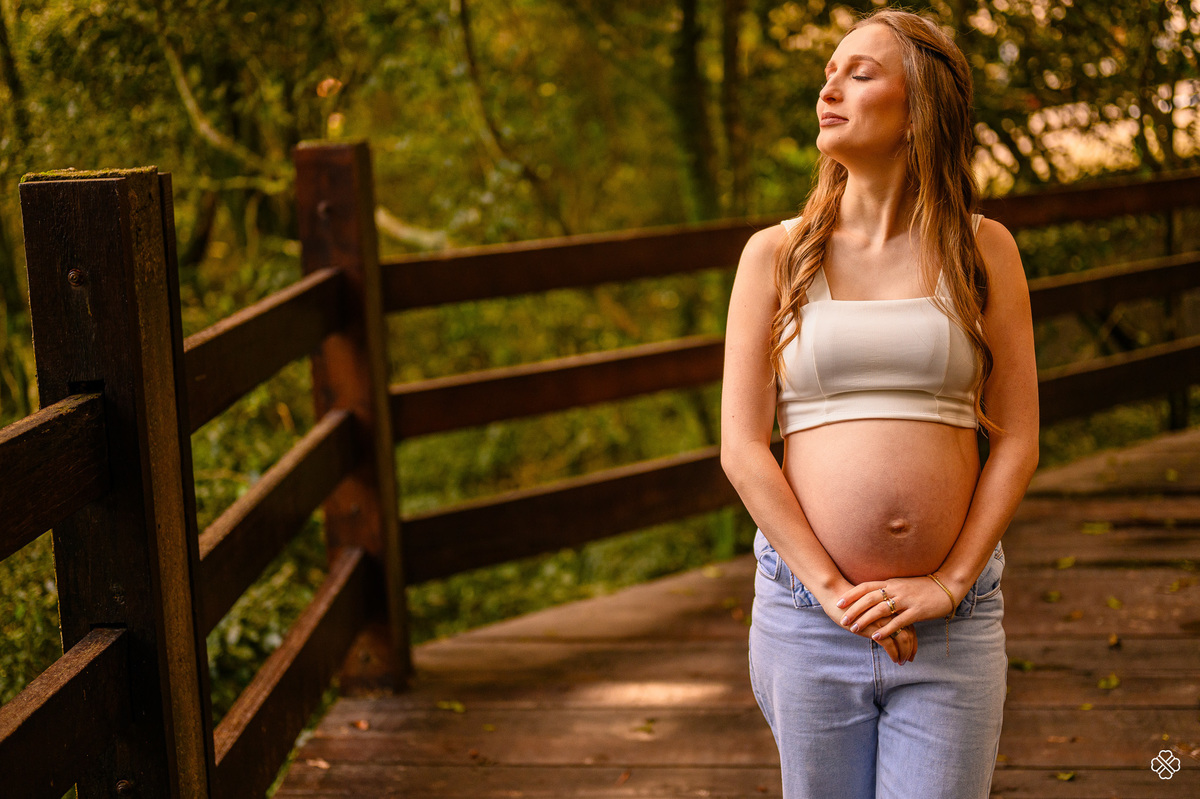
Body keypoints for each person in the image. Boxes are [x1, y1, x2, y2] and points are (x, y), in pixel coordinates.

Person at [720, 8, 1039, 799]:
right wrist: (832, 591)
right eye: (828, 72)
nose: (830, 87)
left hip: (952, 622)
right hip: (807, 616)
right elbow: (742, 446)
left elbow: (1021, 437)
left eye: (860, 73)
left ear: (919, 107)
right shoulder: (776, 255)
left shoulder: (982, 249)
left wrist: (950, 582)